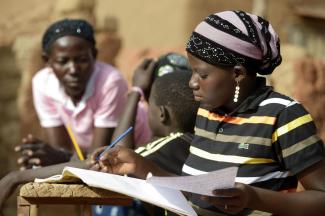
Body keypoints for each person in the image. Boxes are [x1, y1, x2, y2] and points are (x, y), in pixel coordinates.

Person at [92, 10, 325, 216]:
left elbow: (321, 198)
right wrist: (141, 166)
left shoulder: (282, 116)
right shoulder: (207, 113)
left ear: (237, 74)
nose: (192, 83)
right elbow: (197, 189)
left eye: (201, 75)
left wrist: (254, 198)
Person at [0, 57, 199, 214]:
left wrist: (16, 177)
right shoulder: (199, 143)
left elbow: (108, 161)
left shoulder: (160, 148)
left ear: (162, 114)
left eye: (150, 106)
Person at [14, 18, 151, 169]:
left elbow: (98, 159)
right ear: (47, 61)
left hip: (139, 148)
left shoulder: (110, 82)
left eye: (82, 60)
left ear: (94, 55)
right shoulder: (42, 83)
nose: (73, 70)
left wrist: (59, 157)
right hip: (91, 155)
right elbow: (62, 150)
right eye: (62, 61)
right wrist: (50, 157)